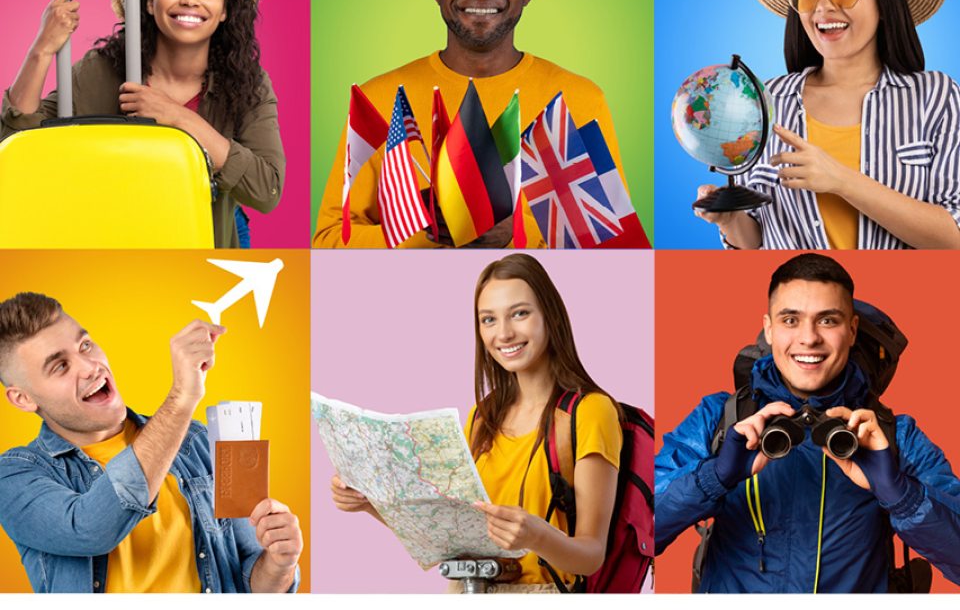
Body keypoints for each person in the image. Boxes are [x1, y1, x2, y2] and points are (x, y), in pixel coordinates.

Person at [313, 0, 632, 248]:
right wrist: (423, 235)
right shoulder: (378, 99)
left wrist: (516, 233)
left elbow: (617, 248)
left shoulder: (579, 100)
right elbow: (328, 242)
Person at [655, 253, 960, 592]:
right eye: (790, 320)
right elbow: (640, 531)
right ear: (769, 329)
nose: (809, 338)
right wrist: (713, 477)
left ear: (852, 330)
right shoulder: (720, 419)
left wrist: (901, 494)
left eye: (827, 320)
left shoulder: (893, 436)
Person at [331, 254, 622, 591]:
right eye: (488, 320)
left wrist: (537, 537)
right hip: (467, 590)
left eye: (520, 313)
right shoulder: (483, 416)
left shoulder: (591, 411)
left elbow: (591, 555)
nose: (504, 333)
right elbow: (452, 533)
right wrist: (371, 503)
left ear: (551, 316)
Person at [1, 0, 285, 249]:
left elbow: (267, 190)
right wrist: (41, 50)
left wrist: (178, 117)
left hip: (207, 231)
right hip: (118, 233)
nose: (190, 0)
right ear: (149, 1)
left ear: (224, 10)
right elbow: (14, 141)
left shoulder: (248, 84)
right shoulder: (102, 70)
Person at [0, 293, 302, 593]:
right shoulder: (15, 477)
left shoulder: (195, 442)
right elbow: (91, 528)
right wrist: (182, 398)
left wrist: (280, 565)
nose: (90, 367)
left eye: (86, 345)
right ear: (22, 398)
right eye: (60, 366)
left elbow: (248, 586)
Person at [695, 0, 960, 250]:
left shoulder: (936, 97)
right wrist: (731, 220)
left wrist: (842, 180)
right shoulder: (763, 102)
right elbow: (756, 241)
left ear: (885, 1)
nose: (823, 6)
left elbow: (953, 239)